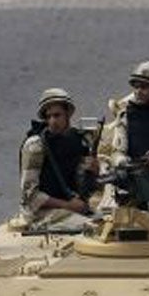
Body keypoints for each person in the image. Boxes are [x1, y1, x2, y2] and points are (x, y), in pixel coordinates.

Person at [19, 87, 99, 229]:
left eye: (57, 115)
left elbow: (87, 188)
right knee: (91, 228)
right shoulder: (36, 146)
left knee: (107, 223)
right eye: (48, 117)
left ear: (68, 114)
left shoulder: (78, 141)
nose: (52, 121)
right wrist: (68, 205)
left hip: (70, 206)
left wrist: (93, 172)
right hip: (40, 213)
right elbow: (30, 196)